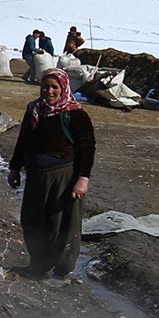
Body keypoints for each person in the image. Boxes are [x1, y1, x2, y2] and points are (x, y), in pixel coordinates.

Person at [6, 67, 96, 279]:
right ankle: (38, 265)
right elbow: (23, 140)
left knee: (60, 224)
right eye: (46, 86)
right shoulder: (35, 110)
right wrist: (14, 167)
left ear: (63, 88)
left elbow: (87, 148)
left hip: (62, 177)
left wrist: (82, 179)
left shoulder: (75, 114)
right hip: (36, 176)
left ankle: (61, 270)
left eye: (55, 87)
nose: (50, 91)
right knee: (32, 220)